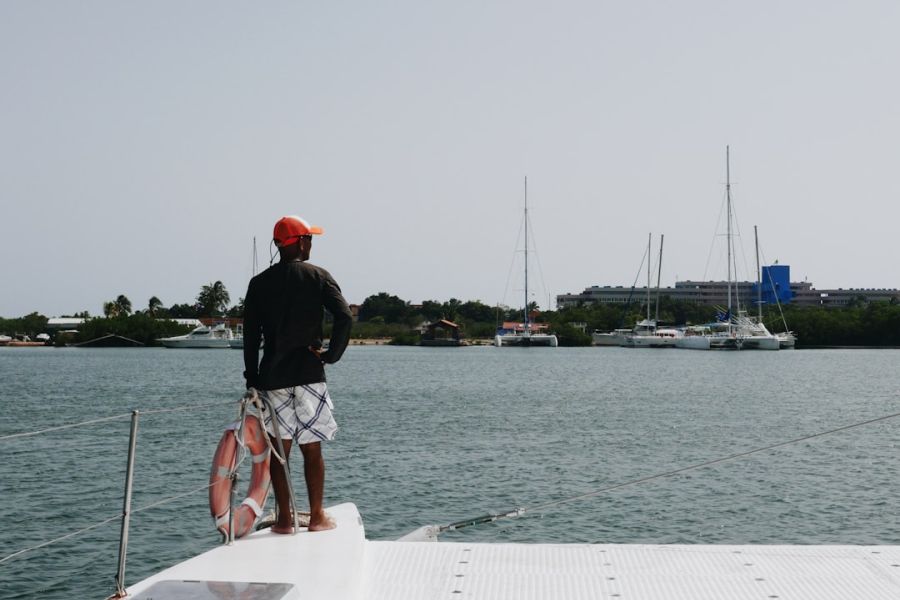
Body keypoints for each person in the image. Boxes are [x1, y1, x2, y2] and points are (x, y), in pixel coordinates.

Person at [242, 215, 353, 533]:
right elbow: (344, 317)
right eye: (310, 238)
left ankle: (284, 520)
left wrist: (252, 378)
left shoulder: (259, 284)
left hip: (273, 378)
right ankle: (317, 517)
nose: (311, 244)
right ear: (300, 242)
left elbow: (251, 337)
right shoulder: (318, 276)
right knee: (312, 448)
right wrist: (331, 355)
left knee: (280, 450)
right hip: (309, 375)